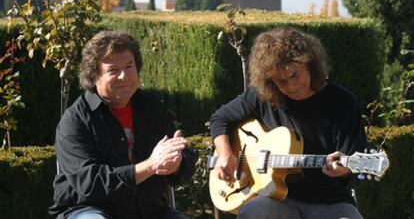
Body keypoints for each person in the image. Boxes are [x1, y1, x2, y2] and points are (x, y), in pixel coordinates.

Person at [210, 27, 367, 219]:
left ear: (310, 65)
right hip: (276, 199)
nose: (291, 86)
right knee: (253, 212)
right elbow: (220, 118)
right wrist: (225, 154)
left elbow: (355, 173)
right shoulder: (263, 97)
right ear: (269, 82)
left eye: (295, 75)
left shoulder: (343, 103)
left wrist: (344, 171)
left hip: (331, 202)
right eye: (281, 81)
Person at [49, 31, 195, 219]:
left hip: (151, 211)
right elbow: (91, 184)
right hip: (90, 210)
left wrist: (176, 164)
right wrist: (150, 165)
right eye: (113, 70)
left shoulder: (152, 107)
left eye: (128, 66)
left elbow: (186, 160)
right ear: (94, 77)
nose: (123, 76)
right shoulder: (75, 121)